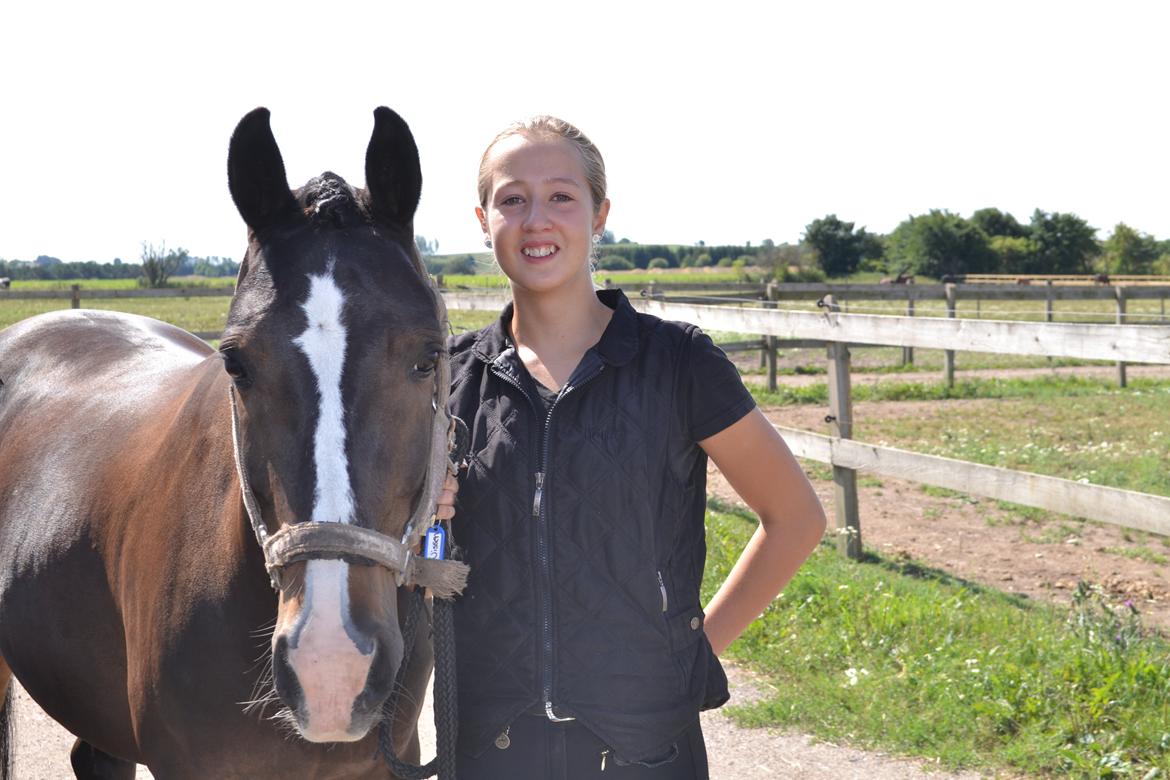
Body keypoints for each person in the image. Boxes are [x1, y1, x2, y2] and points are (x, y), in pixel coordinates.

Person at [434, 116, 826, 779]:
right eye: (512, 199)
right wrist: (421, 528)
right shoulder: (446, 377)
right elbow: (413, 565)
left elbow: (796, 519)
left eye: (561, 196)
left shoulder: (678, 362)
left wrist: (693, 655)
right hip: (489, 750)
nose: (536, 219)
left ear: (600, 214)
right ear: (483, 218)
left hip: (645, 752)